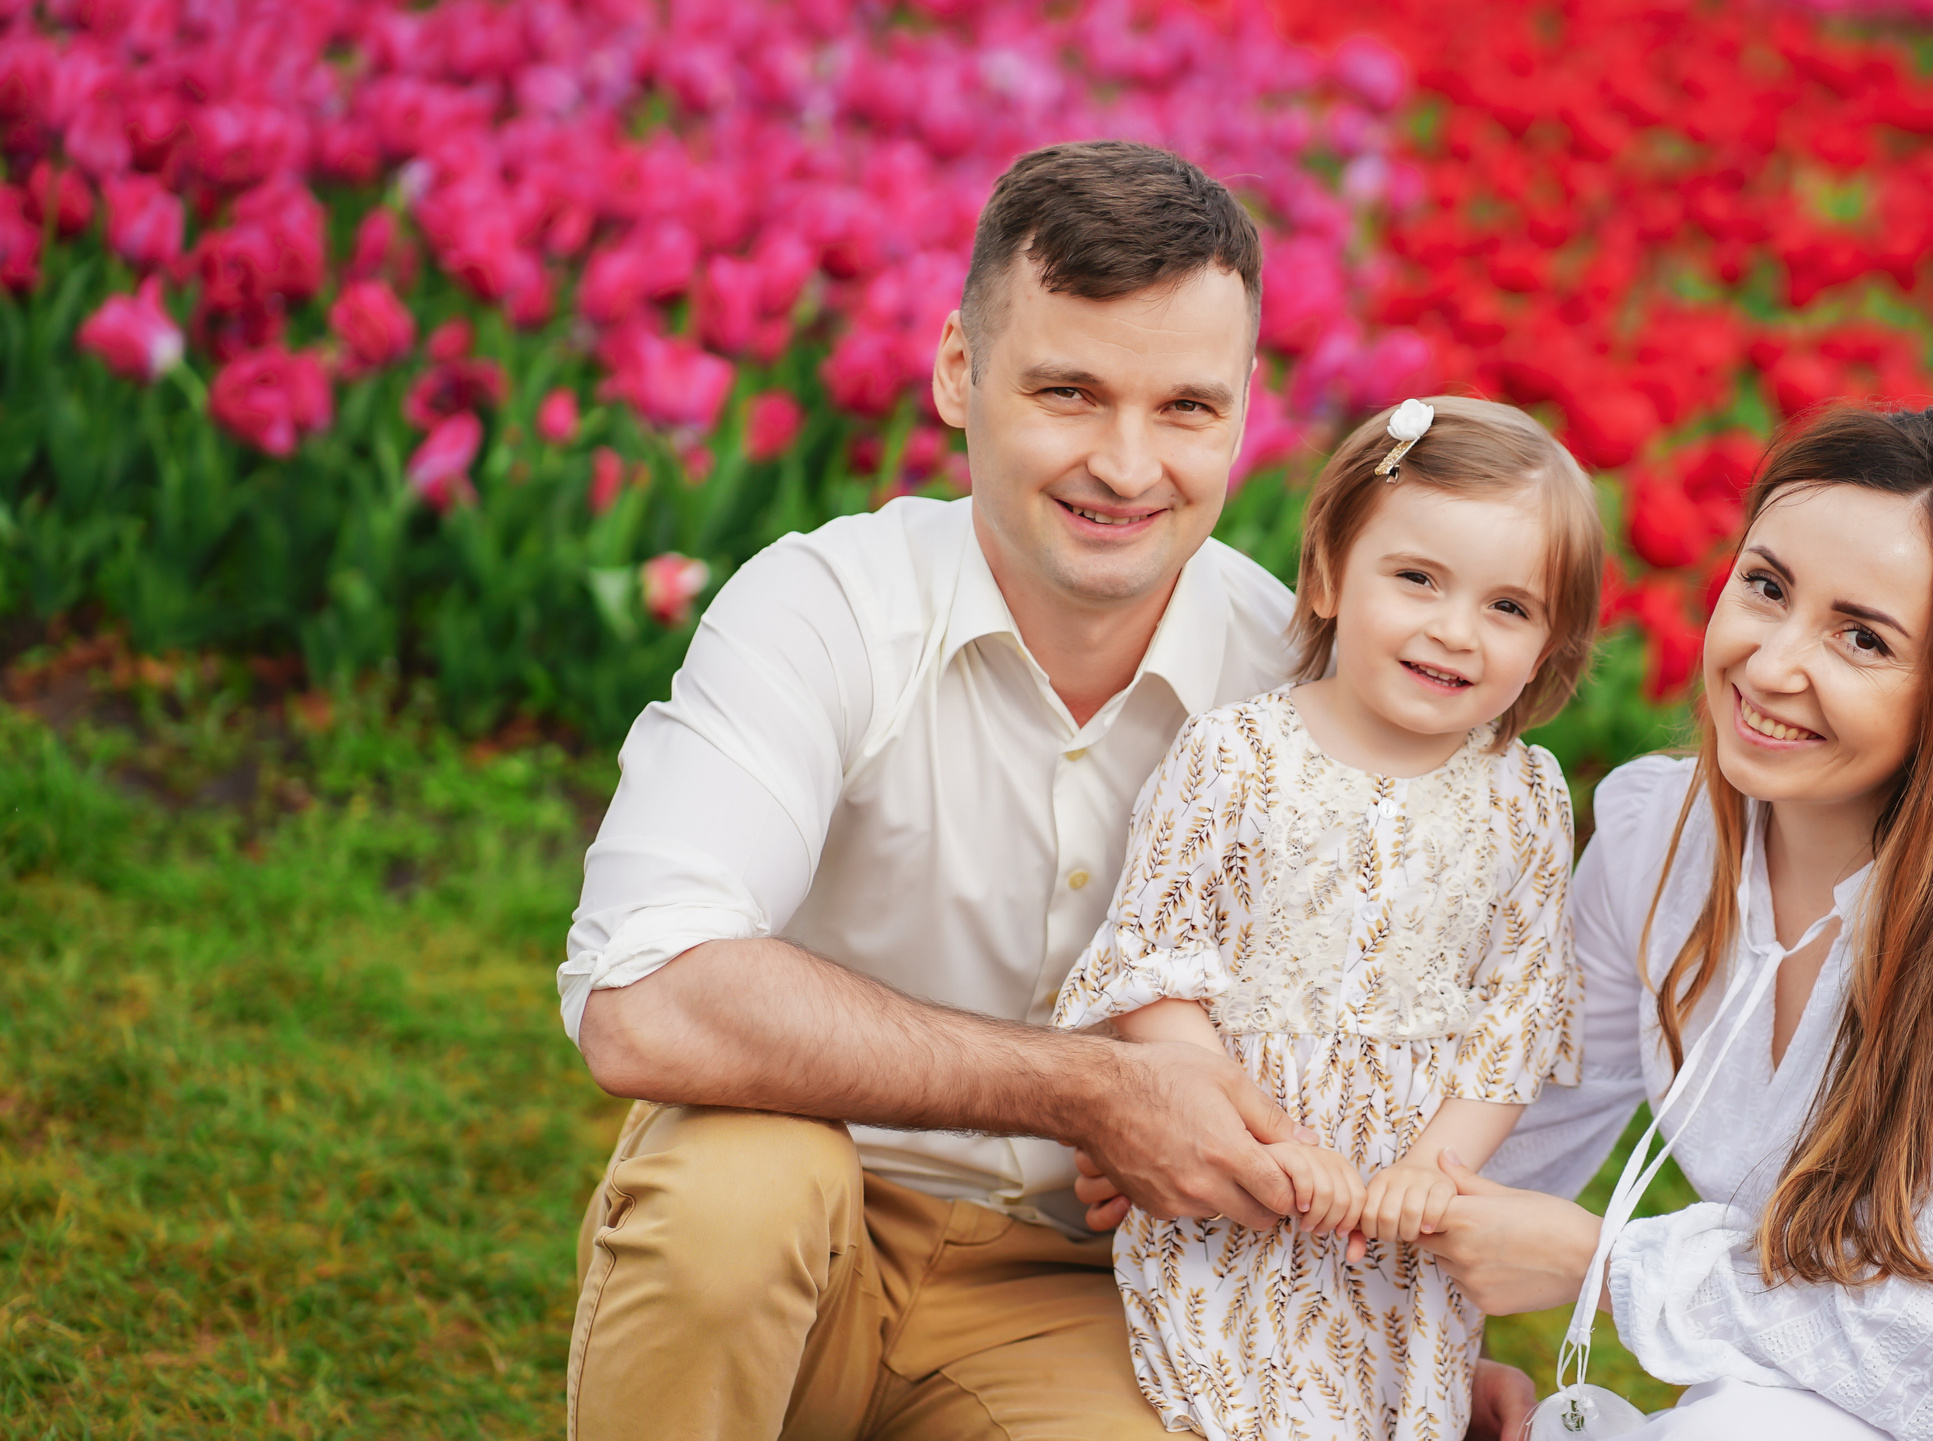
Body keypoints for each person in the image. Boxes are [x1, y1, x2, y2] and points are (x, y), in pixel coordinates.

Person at [556, 139, 1537, 1440]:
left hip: (1092, 1298)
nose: (1127, 468)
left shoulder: (1308, 689)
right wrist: (1087, 1088)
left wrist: (1396, 1351)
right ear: (961, 373)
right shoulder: (825, 608)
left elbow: (1375, 1062)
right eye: (1070, 392)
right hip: (809, 1211)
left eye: (1185, 408)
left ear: (1244, 407)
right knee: (731, 1198)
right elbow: (644, 999)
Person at [1414, 405, 1933, 1440]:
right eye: (1765, 587)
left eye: (1862, 637)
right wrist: (1443, 1348)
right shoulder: (1655, 842)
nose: (1770, 666)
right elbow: (1518, 1133)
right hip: (1789, 1392)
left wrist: (1608, 1266)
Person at [1051, 397, 1604, 1441]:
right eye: (1417, 579)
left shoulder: (1523, 795)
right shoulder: (1237, 756)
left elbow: (1517, 1012)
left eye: (1509, 607)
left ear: (1549, 644)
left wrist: (1429, 1174)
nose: (1454, 629)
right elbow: (1156, 965)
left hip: (1397, 1232)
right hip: (1235, 1185)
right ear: (1326, 576)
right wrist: (1250, 1134)